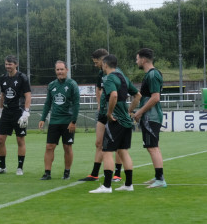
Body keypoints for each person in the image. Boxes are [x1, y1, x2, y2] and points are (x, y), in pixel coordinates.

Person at [89, 54, 141, 193]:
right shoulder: (123, 77)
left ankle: (106, 186)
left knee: (106, 152)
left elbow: (114, 95)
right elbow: (138, 96)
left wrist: (109, 113)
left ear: (105, 64)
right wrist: (129, 111)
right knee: (123, 151)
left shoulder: (110, 78)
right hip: (126, 121)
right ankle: (129, 185)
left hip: (115, 121)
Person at [79, 48, 122, 183]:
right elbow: (99, 89)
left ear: (103, 60)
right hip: (103, 112)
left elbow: (120, 92)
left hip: (115, 112)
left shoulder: (117, 73)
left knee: (117, 145)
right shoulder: (100, 74)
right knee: (99, 143)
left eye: (96, 61)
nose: (95, 64)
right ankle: (94, 174)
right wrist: (99, 105)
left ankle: (117, 173)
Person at [38, 60, 80, 180]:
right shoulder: (52, 85)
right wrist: (43, 118)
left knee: (67, 147)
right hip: (54, 121)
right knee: (49, 147)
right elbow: (47, 103)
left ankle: (66, 172)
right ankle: (47, 173)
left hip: (68, 122)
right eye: (57, 70)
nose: (60, 72)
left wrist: (73, 121)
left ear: (67, 70)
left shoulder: (72, 84)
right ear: (55, 71)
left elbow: (77, 104)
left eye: (62, 69)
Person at [0, 55, 31, 175]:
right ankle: (2, 167)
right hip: (7, 112)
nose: (8, 66)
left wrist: (26, 111)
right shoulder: (3, 78)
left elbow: (28, 95)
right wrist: (0, 108)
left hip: (19, 112)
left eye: (10, 64)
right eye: (6, 64)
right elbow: (2, 95)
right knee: (0, 139)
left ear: (16, 64)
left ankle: (20, 167)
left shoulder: (22, 78)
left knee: (20, 140)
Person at [133, 47, 167, 188]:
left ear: (143, 59)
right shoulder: (152, 74)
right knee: (154, 147)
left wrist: (139, 112)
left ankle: (160, 180)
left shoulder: (153, 75)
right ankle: (158, 177)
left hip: (150, 117)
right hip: (151, 116)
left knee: (152, 147)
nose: (136, 62)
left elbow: (155, 98)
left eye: (137, 59)